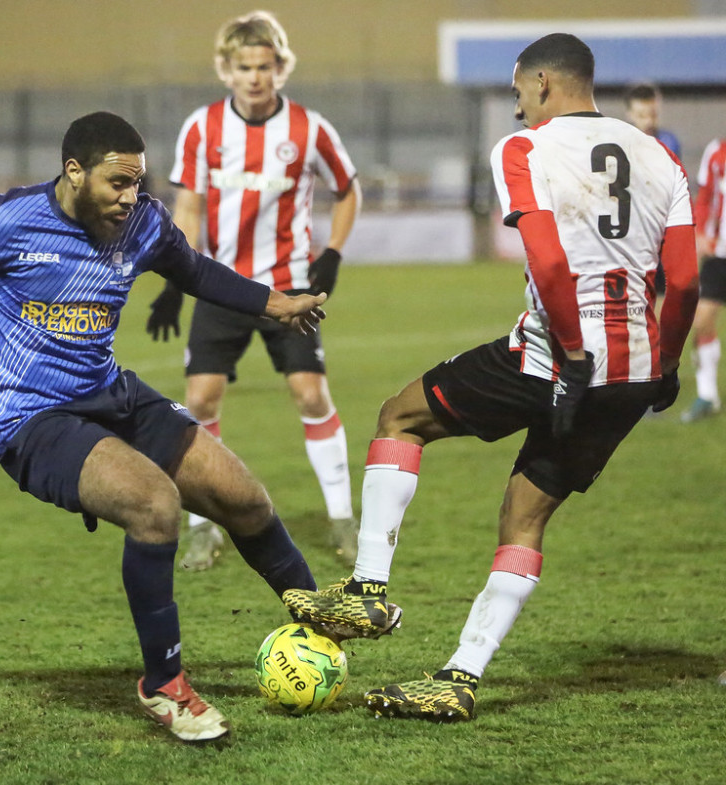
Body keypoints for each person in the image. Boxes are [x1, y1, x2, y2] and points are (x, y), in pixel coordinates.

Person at [0, 112, 330, 744]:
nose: (130, 198)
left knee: (243, 495)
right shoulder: (4, 222)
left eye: (137, 183)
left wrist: (275, 303)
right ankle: (164, 686)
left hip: (113, 394)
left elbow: (197, 273)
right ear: (73, 171)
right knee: (155, 505)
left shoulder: (146, 223)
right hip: (32, 418)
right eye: (116, 183)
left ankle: (318, 624)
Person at [283, 33, 699, 722]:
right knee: (525, 515)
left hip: (553, 355)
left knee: (399, 416)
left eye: (516, 95)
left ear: (542, 82)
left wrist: (567, 352)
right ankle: (459, 676)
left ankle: (367, 588)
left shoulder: (525, 150)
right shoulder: (659, 156)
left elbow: (548, 259)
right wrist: (669, 363)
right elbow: (682, 281)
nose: (515, 111)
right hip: (632, 369)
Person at [147, 10, 362, 571]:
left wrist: (333, 252)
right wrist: (177, 277)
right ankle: (201, 529)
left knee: (312, 395)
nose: (255, 77)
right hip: (220, 285)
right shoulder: (202, 128)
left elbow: (348, 189)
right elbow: (188, 206)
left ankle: (343, 521)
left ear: (281, 68)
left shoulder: (310, 129)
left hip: (288, 287)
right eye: (244, 67)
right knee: (199, 401)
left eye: (265, 66)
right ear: (226, 70)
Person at [680, 136, 725, 422]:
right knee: (703, 319)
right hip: (719, 252)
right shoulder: (716, 151)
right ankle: (708, 396)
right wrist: (700, 233)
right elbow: (705, 195)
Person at [624, 83, 682, 305]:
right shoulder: (621, 143)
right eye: (641, 115)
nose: (648, 121)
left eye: (653, 114)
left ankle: (655, 340)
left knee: (662, 294)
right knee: (633, 297)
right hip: (630, 234)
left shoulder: (669, 142)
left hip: (660, 232)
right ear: (630, 114)